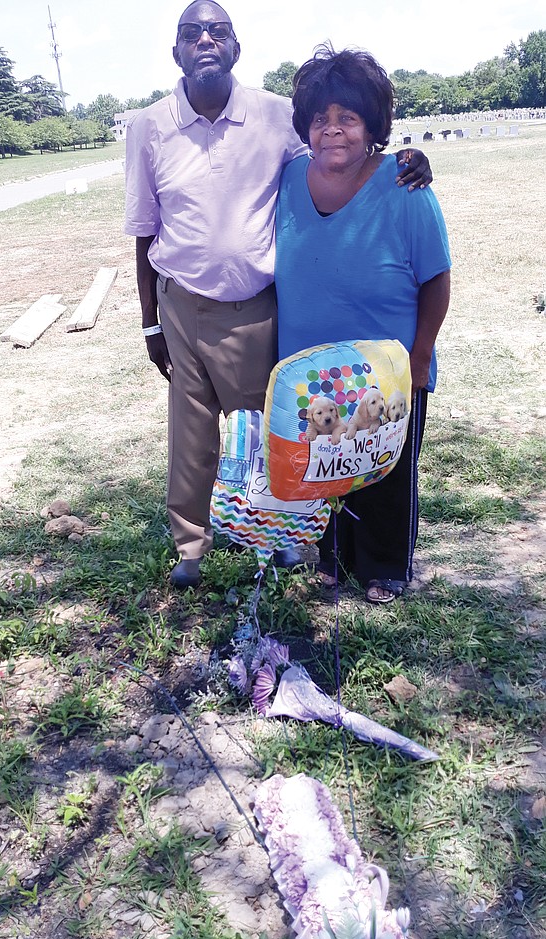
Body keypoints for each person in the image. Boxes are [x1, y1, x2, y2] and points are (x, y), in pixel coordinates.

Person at [124, 3, 433, 589]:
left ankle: (287, 536)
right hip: (179, 303)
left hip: (254, 308)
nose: (206, 40)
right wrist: (150, 323)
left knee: (274, 430)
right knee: (189, 437)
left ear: (237, 49)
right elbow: (144, 229)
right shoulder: (148, 126)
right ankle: (191, 547)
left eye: (219, 31)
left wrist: (404, 159)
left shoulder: (273, 116)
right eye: (192, 33)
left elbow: (336, 154)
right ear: (176, 53)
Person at [274, 46, 451, 603]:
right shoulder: (287, 178)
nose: (334, 131)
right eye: (321, 119)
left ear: (371, 125)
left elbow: (436, 280)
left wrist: (420, 359)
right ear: (305, 125)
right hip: (314, 373)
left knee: (385, 469)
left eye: (348, 118)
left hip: (387, 372)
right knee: (325, 462)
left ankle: (384, 566)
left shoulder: (405, 188)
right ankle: (333, 556)